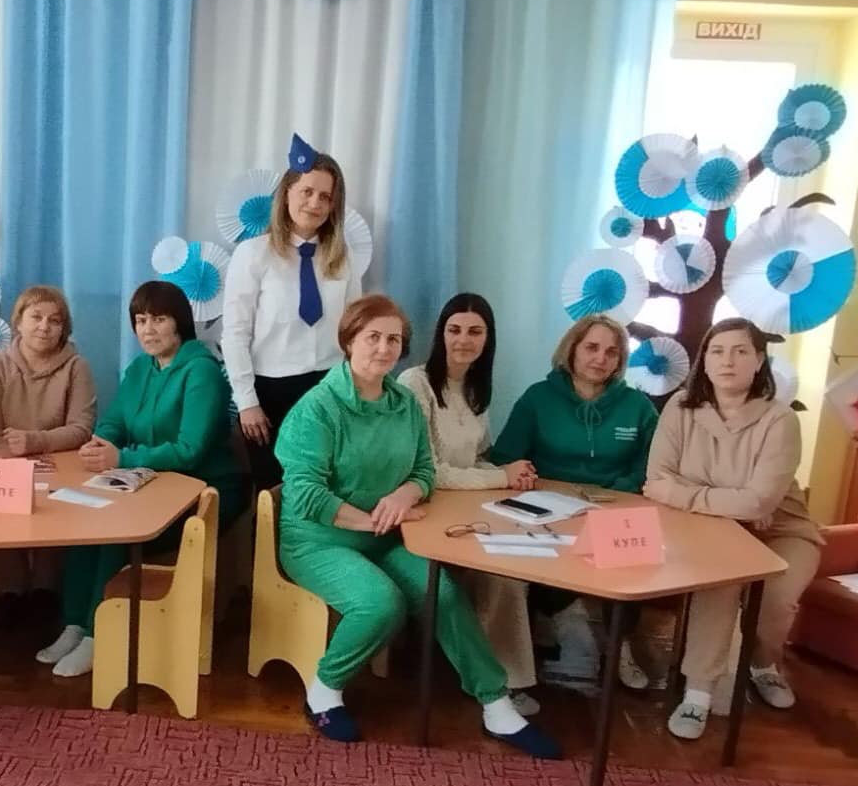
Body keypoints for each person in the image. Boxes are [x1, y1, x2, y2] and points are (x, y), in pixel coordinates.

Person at [276, 295, 559, 757]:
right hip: (318, 540)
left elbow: (425, 470)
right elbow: (305, 493)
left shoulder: (403, 403)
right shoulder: (318, 408)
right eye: (373, 337)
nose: (384, 348)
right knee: (380, 604)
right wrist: (372, 519)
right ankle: (324, 690)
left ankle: (495, 703)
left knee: (443, 594)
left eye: (393, 340)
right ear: (348, 341)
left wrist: (403, 496)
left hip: (388, 533)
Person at [36, 281, 247, 677]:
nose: (148, 330)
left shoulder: (202, 371)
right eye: (140, 320)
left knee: (117, 531)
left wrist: (122, 457)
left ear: (179, 322)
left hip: (205, 490)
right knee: (84, 522)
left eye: (159, 319)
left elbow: (189, 450)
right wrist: (100, 443)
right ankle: (75, 624)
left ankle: (100, 635)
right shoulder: (139, 369)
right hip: (147, 483)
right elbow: (115, 420)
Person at [643, 318, 822, 739]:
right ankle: (698, 693)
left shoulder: (780, 419)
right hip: (708, 526)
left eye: (741, 351)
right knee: (718, 585)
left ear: (759, 361)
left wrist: (685, 493)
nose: (728, 361)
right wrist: (733, 502)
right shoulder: (680, 407)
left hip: (781, 530)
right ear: (704, 361)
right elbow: (656, 479)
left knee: (776, 601)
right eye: (718, 351)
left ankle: (763, 664)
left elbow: (760, 502)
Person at [490, 314, 659, 689]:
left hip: (614, 506)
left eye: (611, 352)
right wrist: (528, 479)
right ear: (572, 350)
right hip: (549, 506)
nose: (601, 358)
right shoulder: (538, 398)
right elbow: (506, 456)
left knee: (633, 561)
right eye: (592, 347)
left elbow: (652, 465)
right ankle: (557, 623)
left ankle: (620, 644)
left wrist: (621, 490)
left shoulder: (638, 406)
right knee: (539, 558)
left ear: (620, 361)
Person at [397, 293, 540, 715]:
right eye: (455, 329)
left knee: (511, 567)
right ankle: (497, 683)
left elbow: (477, 458)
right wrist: (500, 477)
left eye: (475, 332)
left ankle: (505, 678)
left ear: (488, 339)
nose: (464, 340)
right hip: (423, 511)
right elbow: (429, 472)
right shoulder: (415, 384)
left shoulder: (476, 390)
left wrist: (512, 475)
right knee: (498, 572)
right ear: (440, 334)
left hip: (465, 507)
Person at [222, 133, 362, 490]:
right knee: (276, 492)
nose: (315, 203)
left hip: (329, 388)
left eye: (325, 197)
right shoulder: (253, 254)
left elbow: (355, 333)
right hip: (271, 392)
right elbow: (235, 334)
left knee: (325, 488)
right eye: (307, 192)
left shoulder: (343, 257)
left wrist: (355, 394)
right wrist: (247, 402)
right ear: (286, 193)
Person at [0, 285, 96, 625]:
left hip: (59, 464)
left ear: (64, 328)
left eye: (55, 321)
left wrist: (34, 443)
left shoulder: (77, 367)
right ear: (18, 322)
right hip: (5, 464)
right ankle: (9, 589)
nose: (45, 326)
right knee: (1, 502)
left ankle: (47, 589)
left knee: (55, 504)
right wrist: (16, 464)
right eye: (36, 317)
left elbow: (82, 428)